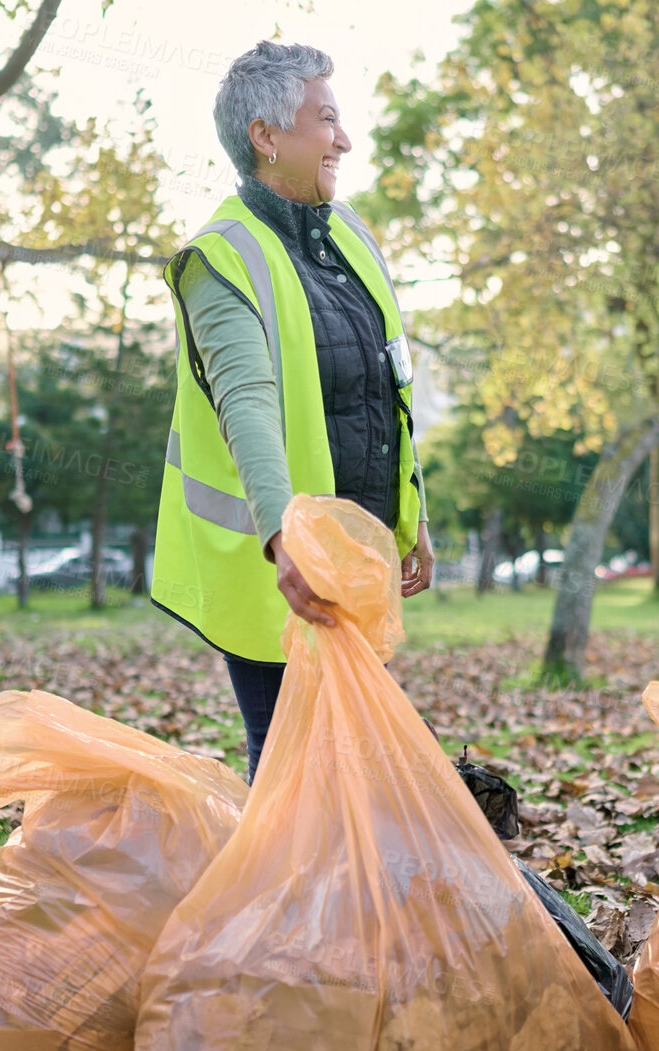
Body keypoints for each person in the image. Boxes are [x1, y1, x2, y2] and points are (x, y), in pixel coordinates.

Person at [151, 41, 434, 783]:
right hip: (280, 567)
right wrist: (286, 537)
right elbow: (247, 403)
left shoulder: (352, 238)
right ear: (266, 136)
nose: (344, 139)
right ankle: (280, 900)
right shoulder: (220, 257)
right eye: (327, 119)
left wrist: (415, 518)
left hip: (358, 552)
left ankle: (337, 897)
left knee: (349, 758)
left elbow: (390, 384)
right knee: (289, 760)